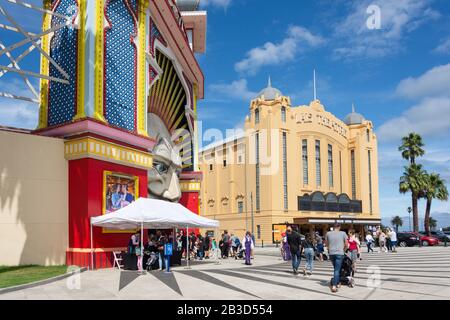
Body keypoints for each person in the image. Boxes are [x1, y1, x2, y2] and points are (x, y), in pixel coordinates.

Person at [325, 223, 348, 293]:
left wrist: (329, 249)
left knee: (336, 269)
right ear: (339, 227)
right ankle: (334, 286)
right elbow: (346, 244)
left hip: (331, 254)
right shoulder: (343, 233)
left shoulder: (328, 233)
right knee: (337, 270)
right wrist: (343, 250)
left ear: (333, 227)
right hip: (339, 253)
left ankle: (337, 282)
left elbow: (326, 244)